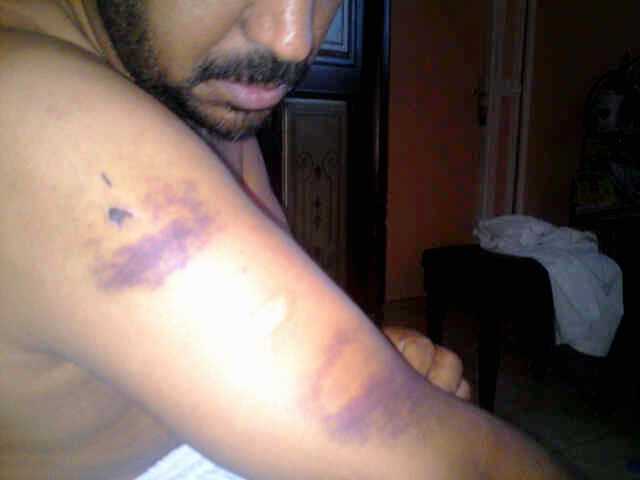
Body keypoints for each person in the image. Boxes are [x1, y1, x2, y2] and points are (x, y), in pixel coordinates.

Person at [0, 1, 571, 479]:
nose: (293, 40)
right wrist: (387, 410)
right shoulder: (42, 117)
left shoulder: (184, 89)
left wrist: (358, 364)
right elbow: (458, 467)